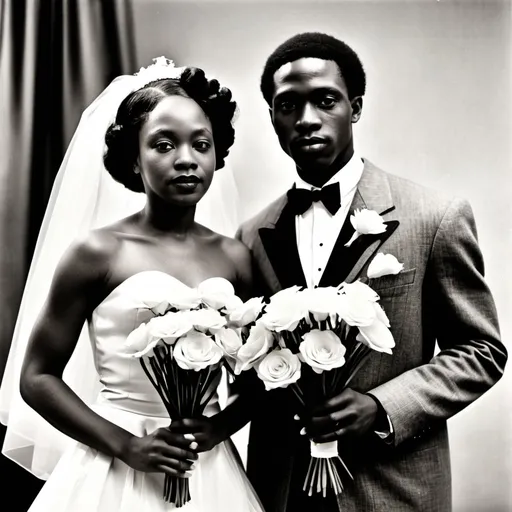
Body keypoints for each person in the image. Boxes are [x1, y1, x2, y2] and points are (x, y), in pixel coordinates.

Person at [236, 32, 507, 512]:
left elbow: (481, 352)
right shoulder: (251, 234)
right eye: (287, 106)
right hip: (280, 490)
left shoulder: (435, 216)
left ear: (355, 107)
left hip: (392, 490)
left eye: (325, 100)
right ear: (273, 118)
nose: (306, 120)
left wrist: (382, 406)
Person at [0, 58, 263, 512]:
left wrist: (220, 427)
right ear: (134, 160)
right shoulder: (98, 253)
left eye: (201, 144)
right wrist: (126, 445)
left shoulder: (236, 256)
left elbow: (257, 374)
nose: (186, 159)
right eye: (163, 144)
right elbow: (37, 377)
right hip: (113, 466)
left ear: (217, 155)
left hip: (208, 469)